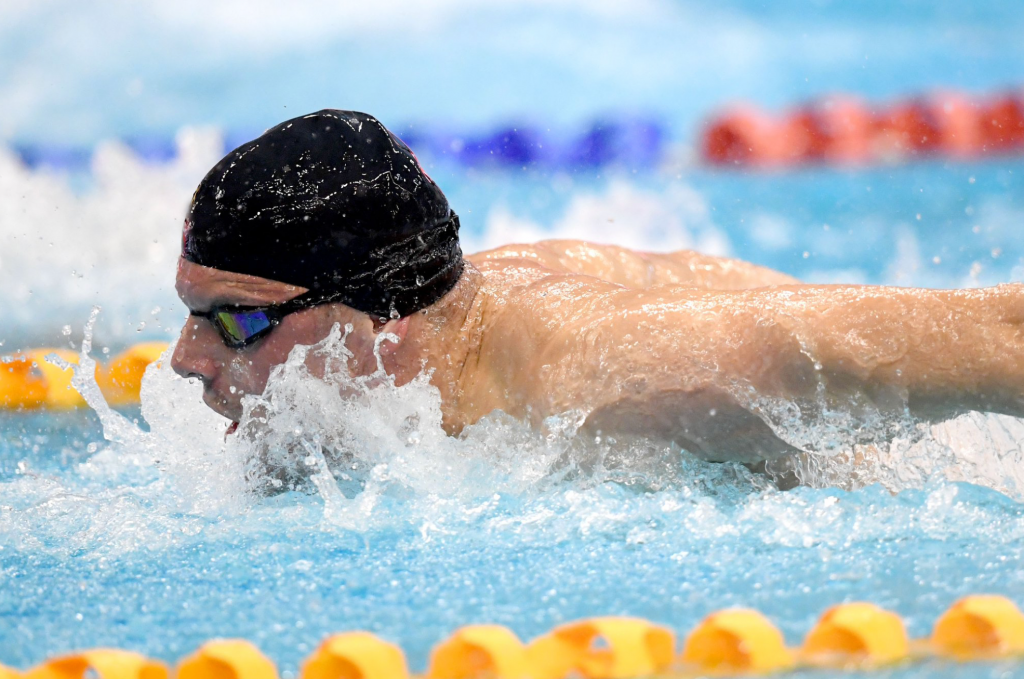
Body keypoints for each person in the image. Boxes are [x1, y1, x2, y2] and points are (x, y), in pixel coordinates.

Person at [172, 109, 1024, 466]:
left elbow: (1006, 335)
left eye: (236, 322)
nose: (185, 359)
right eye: (191, 319)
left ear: (381, 325)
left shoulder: (608, 384)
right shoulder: (446, 317)